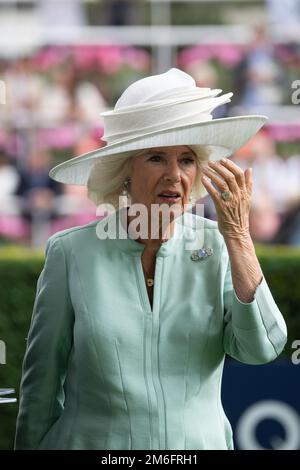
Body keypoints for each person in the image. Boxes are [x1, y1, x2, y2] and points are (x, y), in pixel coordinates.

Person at [14, 68, 287, 450]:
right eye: (157, 157)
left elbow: (261, 349)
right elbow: (40, 387)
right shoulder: (70, 252)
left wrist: (239, 237)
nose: (175, 175)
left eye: (188, 160)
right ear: (125, 171)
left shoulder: (221, 244)